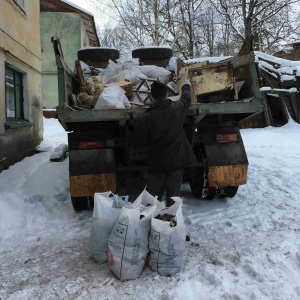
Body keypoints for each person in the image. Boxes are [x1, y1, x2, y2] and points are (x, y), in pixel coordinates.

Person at [140, 80, 197, 206]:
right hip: (176, 162)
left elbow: (141, 140)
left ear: (151, 98)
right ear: (167, 94)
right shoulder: (177, 109)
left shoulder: (147, 118)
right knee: (174, 197)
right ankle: (171, 220)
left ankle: (152, 219)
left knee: (153, 198)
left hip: (157, 163)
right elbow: (186, 99)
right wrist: (186, 86)